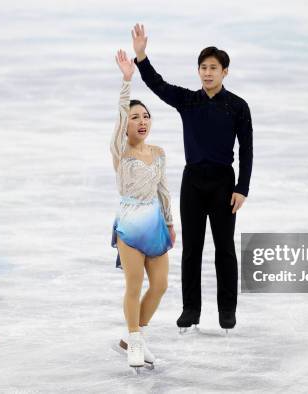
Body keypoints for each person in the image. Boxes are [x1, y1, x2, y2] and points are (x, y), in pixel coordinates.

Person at [130, 24, 253, 331]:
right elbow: (158, 85)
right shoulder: (189, 101)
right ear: (198, 71)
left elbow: (247, 149)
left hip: (224, 183)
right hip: (194, 183)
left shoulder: (237, 107)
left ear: (225, 71)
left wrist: (242, 188)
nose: (207, 73)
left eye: (213, 68)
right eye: (203, 67)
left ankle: (227, 310)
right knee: (192, 249)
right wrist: (141, 56)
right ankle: (191, 310)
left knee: (224, 248)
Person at [110, 49, 176, 369]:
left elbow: (164, 190)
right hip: (130, 223)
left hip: (155, 223)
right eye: (135, 117)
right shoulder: (120, 151)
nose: (141, 121)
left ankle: (132, 338)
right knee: (134, 284)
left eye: (145, 116)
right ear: (126, 125)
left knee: (160, 285)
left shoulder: (159, 152)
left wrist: (171, 223)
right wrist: (127, 81)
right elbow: (122, 114)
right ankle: (135, 343)